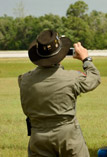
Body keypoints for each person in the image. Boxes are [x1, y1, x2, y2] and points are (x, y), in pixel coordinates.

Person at [18, 29, 101, 157]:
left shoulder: (24, 79)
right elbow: (94, 78)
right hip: (67, 135)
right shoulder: (72, 78)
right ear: (60, 55)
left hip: (38, 135)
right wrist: (86, 59)